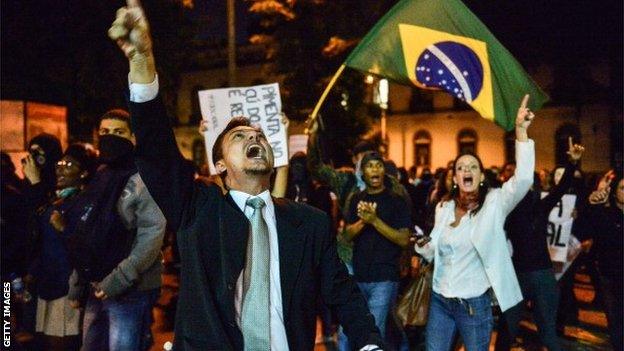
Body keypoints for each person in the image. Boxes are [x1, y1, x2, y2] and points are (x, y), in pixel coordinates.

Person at [108, 2, 383, 350]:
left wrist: (369, 343)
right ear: (220, 164)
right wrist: (142, 60)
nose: (254, 138)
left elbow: (344, 294)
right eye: (239, 137)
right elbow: (157, 151)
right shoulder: (198, 209)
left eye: (260, 137)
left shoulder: (309, 224)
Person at [415, 95, 536, 351]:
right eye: (460, 167)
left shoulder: (494, 203)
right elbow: (434, 245)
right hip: (440, 299)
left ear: (480, 176)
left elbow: (523, 179)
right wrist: (424, 246)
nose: (466, 170)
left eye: (472, 166)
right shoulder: (444, 207)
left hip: (473, 304)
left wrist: (521, 132)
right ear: (455, 178)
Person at [66, 109, 166, 351]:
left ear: (133, 138)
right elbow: (87, 232)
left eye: (118, 132)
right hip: (95, 287)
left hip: (130, 291)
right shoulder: (100, 175)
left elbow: (151, 237)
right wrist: (77, 285)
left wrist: (117, 280)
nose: (110, 137)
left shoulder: (145, 178)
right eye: (104, 132)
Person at [495, 137, 585, 351]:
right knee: (533, 333)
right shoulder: (511, 210)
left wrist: (573, 164)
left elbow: (561, 188)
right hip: (529, 277)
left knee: (516, 333)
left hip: (532, 276)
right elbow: (561, 189)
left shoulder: (529, 208)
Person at [29, 143, 96, 351]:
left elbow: (87, 248)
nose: (60, 168)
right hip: (48, 284)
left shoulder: (86, 203)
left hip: (67, 288)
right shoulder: (57, 200)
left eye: (69, 164)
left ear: (84, 173)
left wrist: (63, 228)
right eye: (60, 163)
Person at [344, 152, 411, 347]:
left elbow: (403, 239)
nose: (375, 169)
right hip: (359, 276)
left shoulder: (397, 201)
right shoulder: (357, 199)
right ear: (363, 173)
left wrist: (375, 221)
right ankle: (402, 345)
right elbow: (346, 235)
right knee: (347, 331)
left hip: (385, 277)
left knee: (375, 330)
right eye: (370, 166)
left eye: (378, 165)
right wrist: (363, 222)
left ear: (384, 171)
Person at [574, 171, 623, 350]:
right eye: (623, 188)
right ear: (614, 191)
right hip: (609, 274)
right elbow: (584, 227)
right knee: (615, 318)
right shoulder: (605, 212)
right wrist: (590, 204)